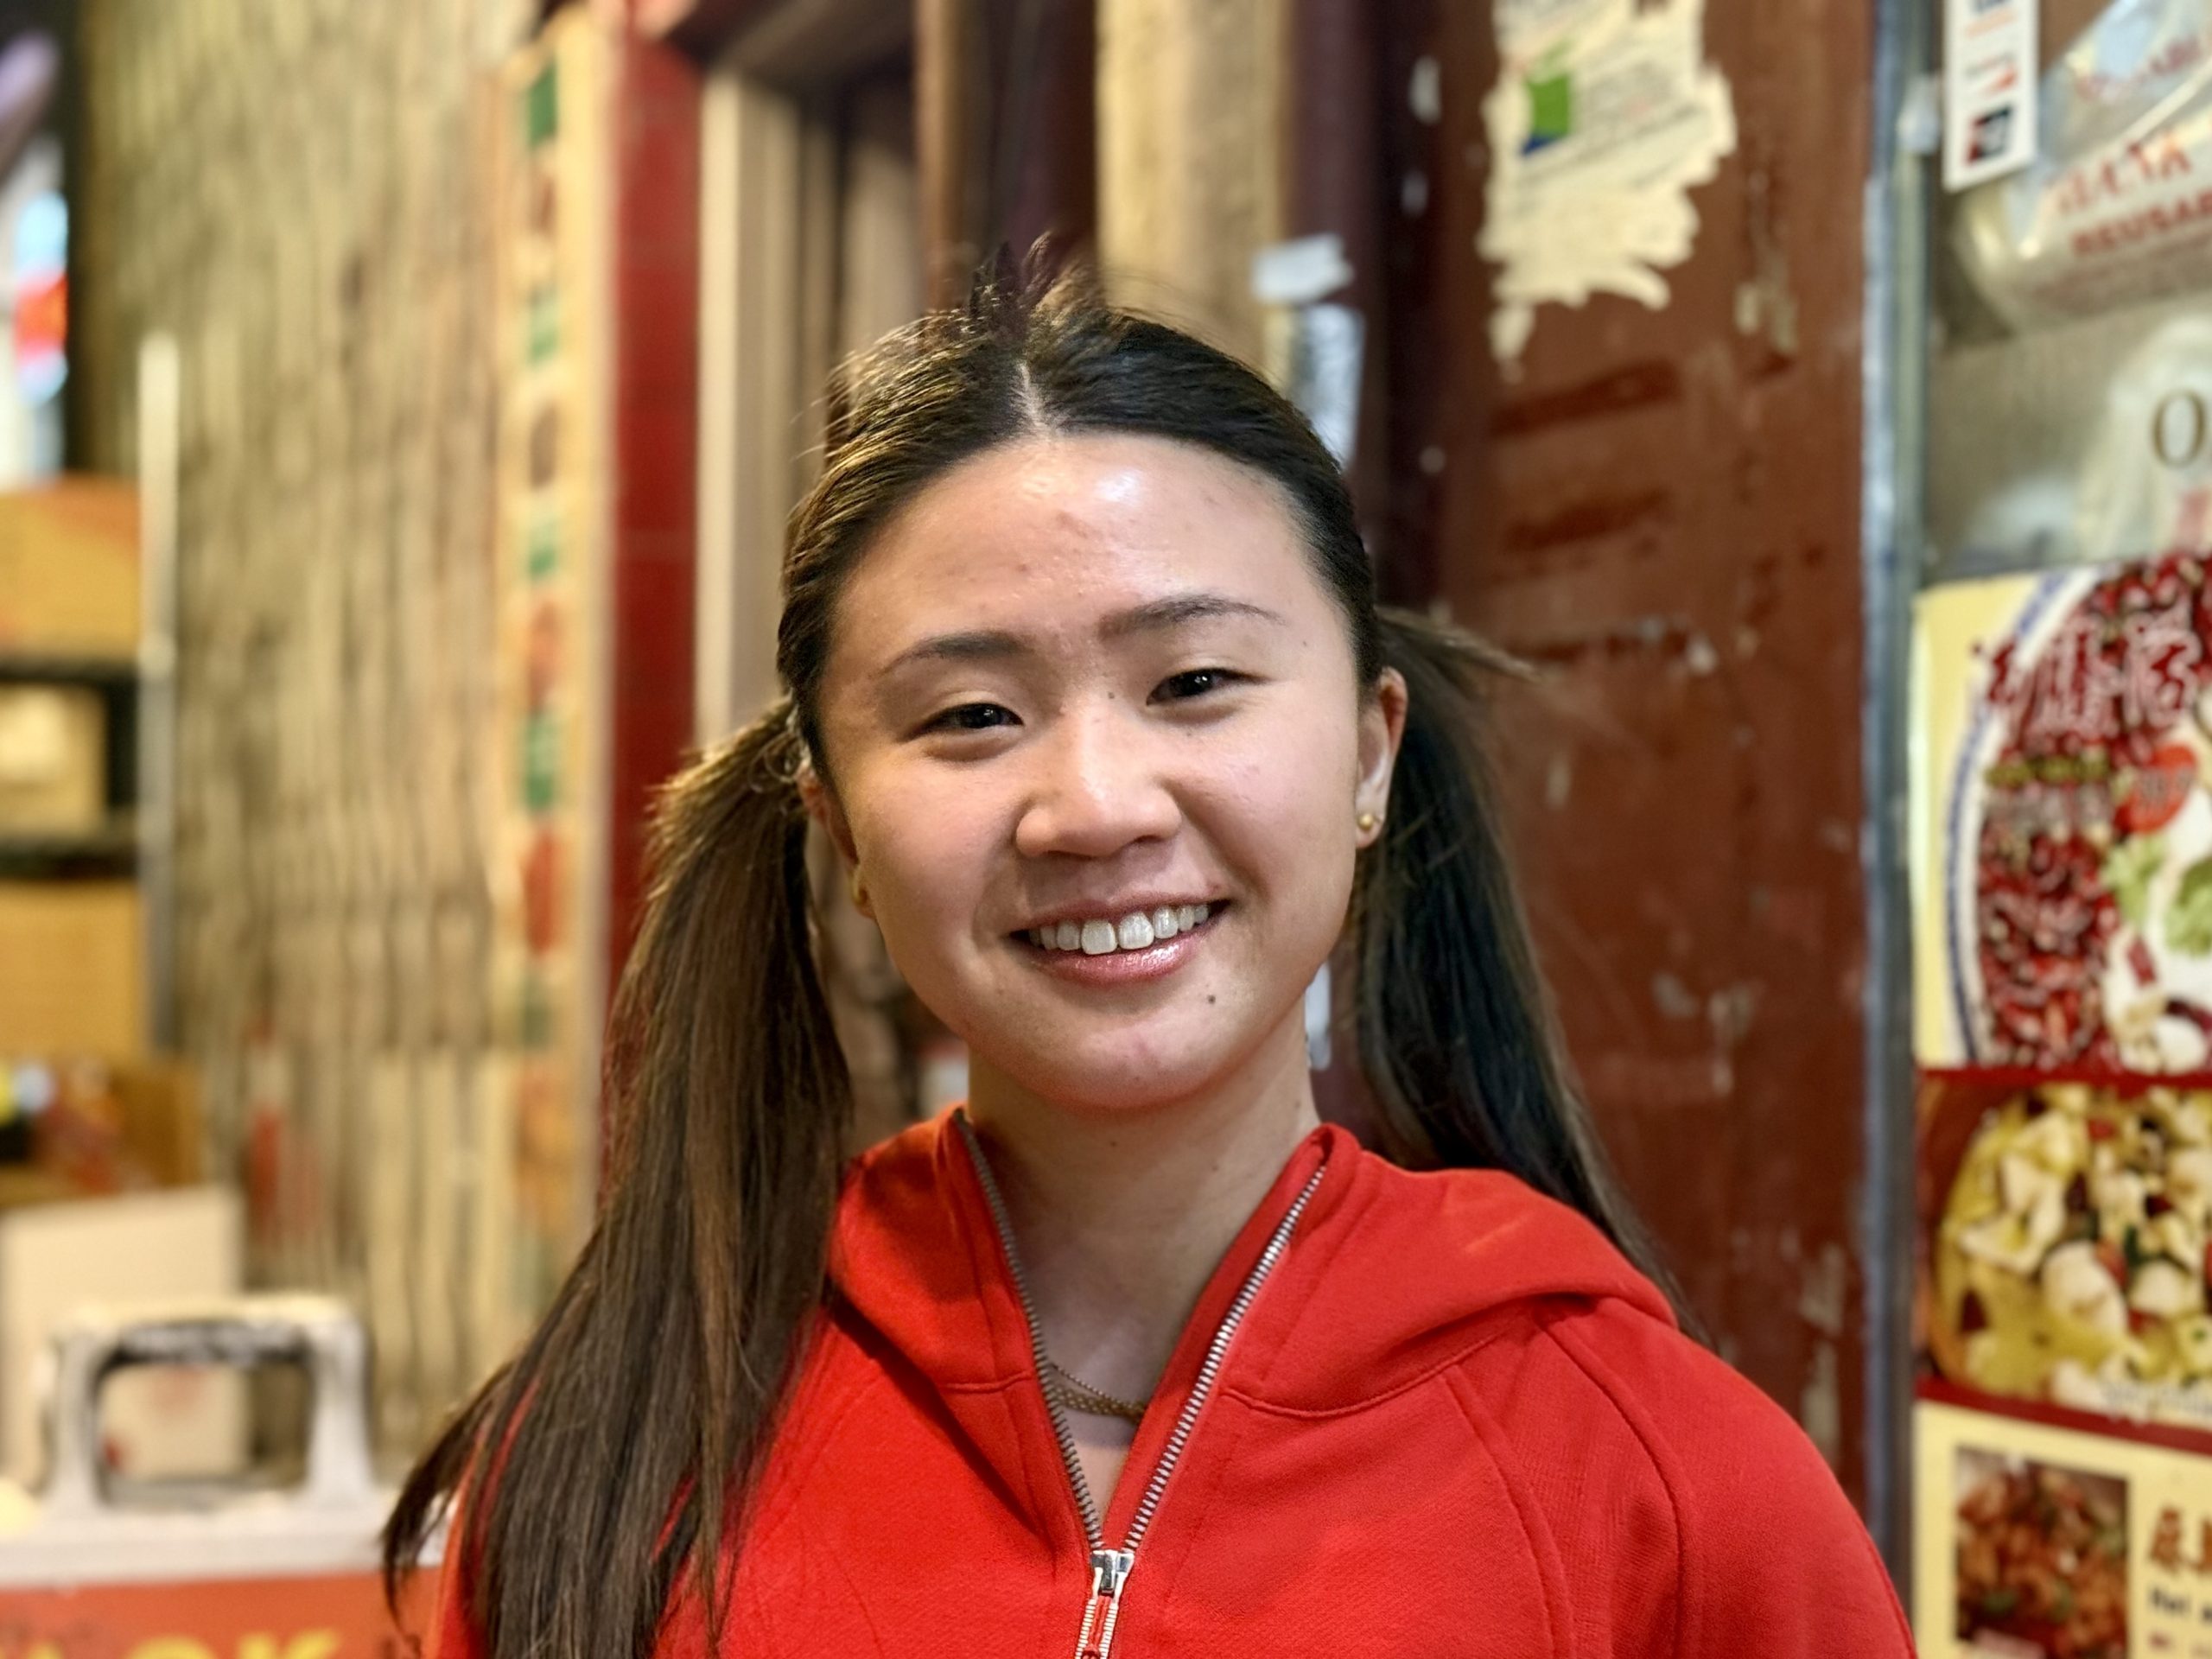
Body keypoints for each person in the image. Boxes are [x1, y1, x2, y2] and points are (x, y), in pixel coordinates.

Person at [387, 269, 1914, 1658]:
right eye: (971, 715)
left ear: (1370, 756)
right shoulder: (620, 1450)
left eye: (1194, 682)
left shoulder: (1668, 1481)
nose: (1097, 807)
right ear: (837, 827)